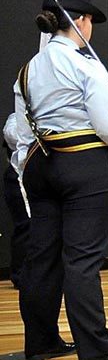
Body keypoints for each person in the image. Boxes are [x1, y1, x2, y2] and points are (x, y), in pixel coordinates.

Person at [13, 0, 108, 360]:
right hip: (87, 166)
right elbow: (107, 126)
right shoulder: (87, 66)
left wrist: (29, 166)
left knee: (43, 257)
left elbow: (21, 131)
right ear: (80, 22)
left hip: (43, 164)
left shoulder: (28, 69)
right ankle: (97, 348)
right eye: (89, 22)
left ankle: (40, 342)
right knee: (83, 258)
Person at [3, 113, 29, 290]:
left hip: (42, 176)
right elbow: (11, 135)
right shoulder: (16, 118)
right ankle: (20, 275)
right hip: (19, 176)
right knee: (26, 226)